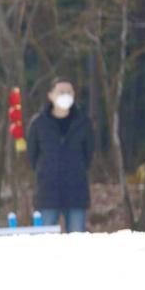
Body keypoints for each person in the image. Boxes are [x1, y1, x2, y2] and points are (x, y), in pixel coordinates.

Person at [28, 79, 93, 233]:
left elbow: (88, 153)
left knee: (77, 239)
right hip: (47, 193)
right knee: (45, 238)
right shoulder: (39, 123)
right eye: (61, 92)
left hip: (76, 191)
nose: (66, 96)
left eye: (69, 92)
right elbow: (33, 155)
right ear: (50, 95)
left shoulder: (83, 122)